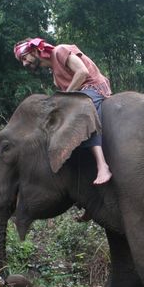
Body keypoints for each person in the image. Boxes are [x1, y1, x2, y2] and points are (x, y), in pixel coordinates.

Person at [14, 37, 112, 184]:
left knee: (80, 112)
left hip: (94, 88)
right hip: (80, 93)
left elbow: (82, 72)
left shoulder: (60, 51)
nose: (24, 63)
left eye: (24, 57)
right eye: (21, 60)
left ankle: (102, 165)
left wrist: (65, 96)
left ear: (34, 51)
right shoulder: (54, 72)